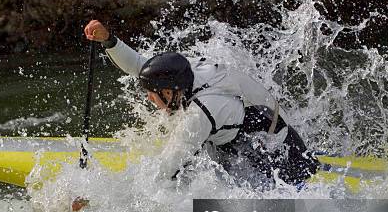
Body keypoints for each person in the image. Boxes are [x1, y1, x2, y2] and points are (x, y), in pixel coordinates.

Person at [83, 19, 320, 189]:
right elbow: (140, 66)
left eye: (152, 94)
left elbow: (163, 172)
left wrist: (103, 198)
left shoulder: (200, 115)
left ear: (168, 91)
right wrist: (109, 40)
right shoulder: (185, 73)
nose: (149, 99)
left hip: (279, 154)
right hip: (245, 135)